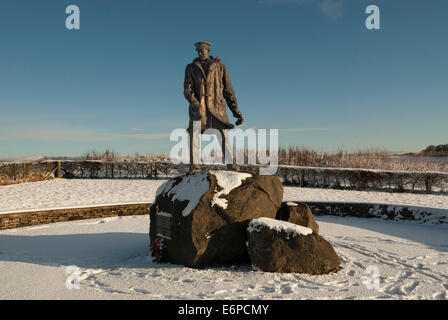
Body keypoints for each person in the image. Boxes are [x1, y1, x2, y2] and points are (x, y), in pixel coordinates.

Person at [184, 41, 244, 172]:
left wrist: (236, 112)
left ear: (208, 51)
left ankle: (231, 164)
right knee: (194, 133)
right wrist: (195, 102)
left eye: (203, 50)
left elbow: (228, 91)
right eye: (198, 50)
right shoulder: (191, 67)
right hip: (200, 109)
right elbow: (187, 89)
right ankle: (194, 165)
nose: (200, 52)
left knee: (223, 135)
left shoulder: (220, 67)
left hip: (217, 108)